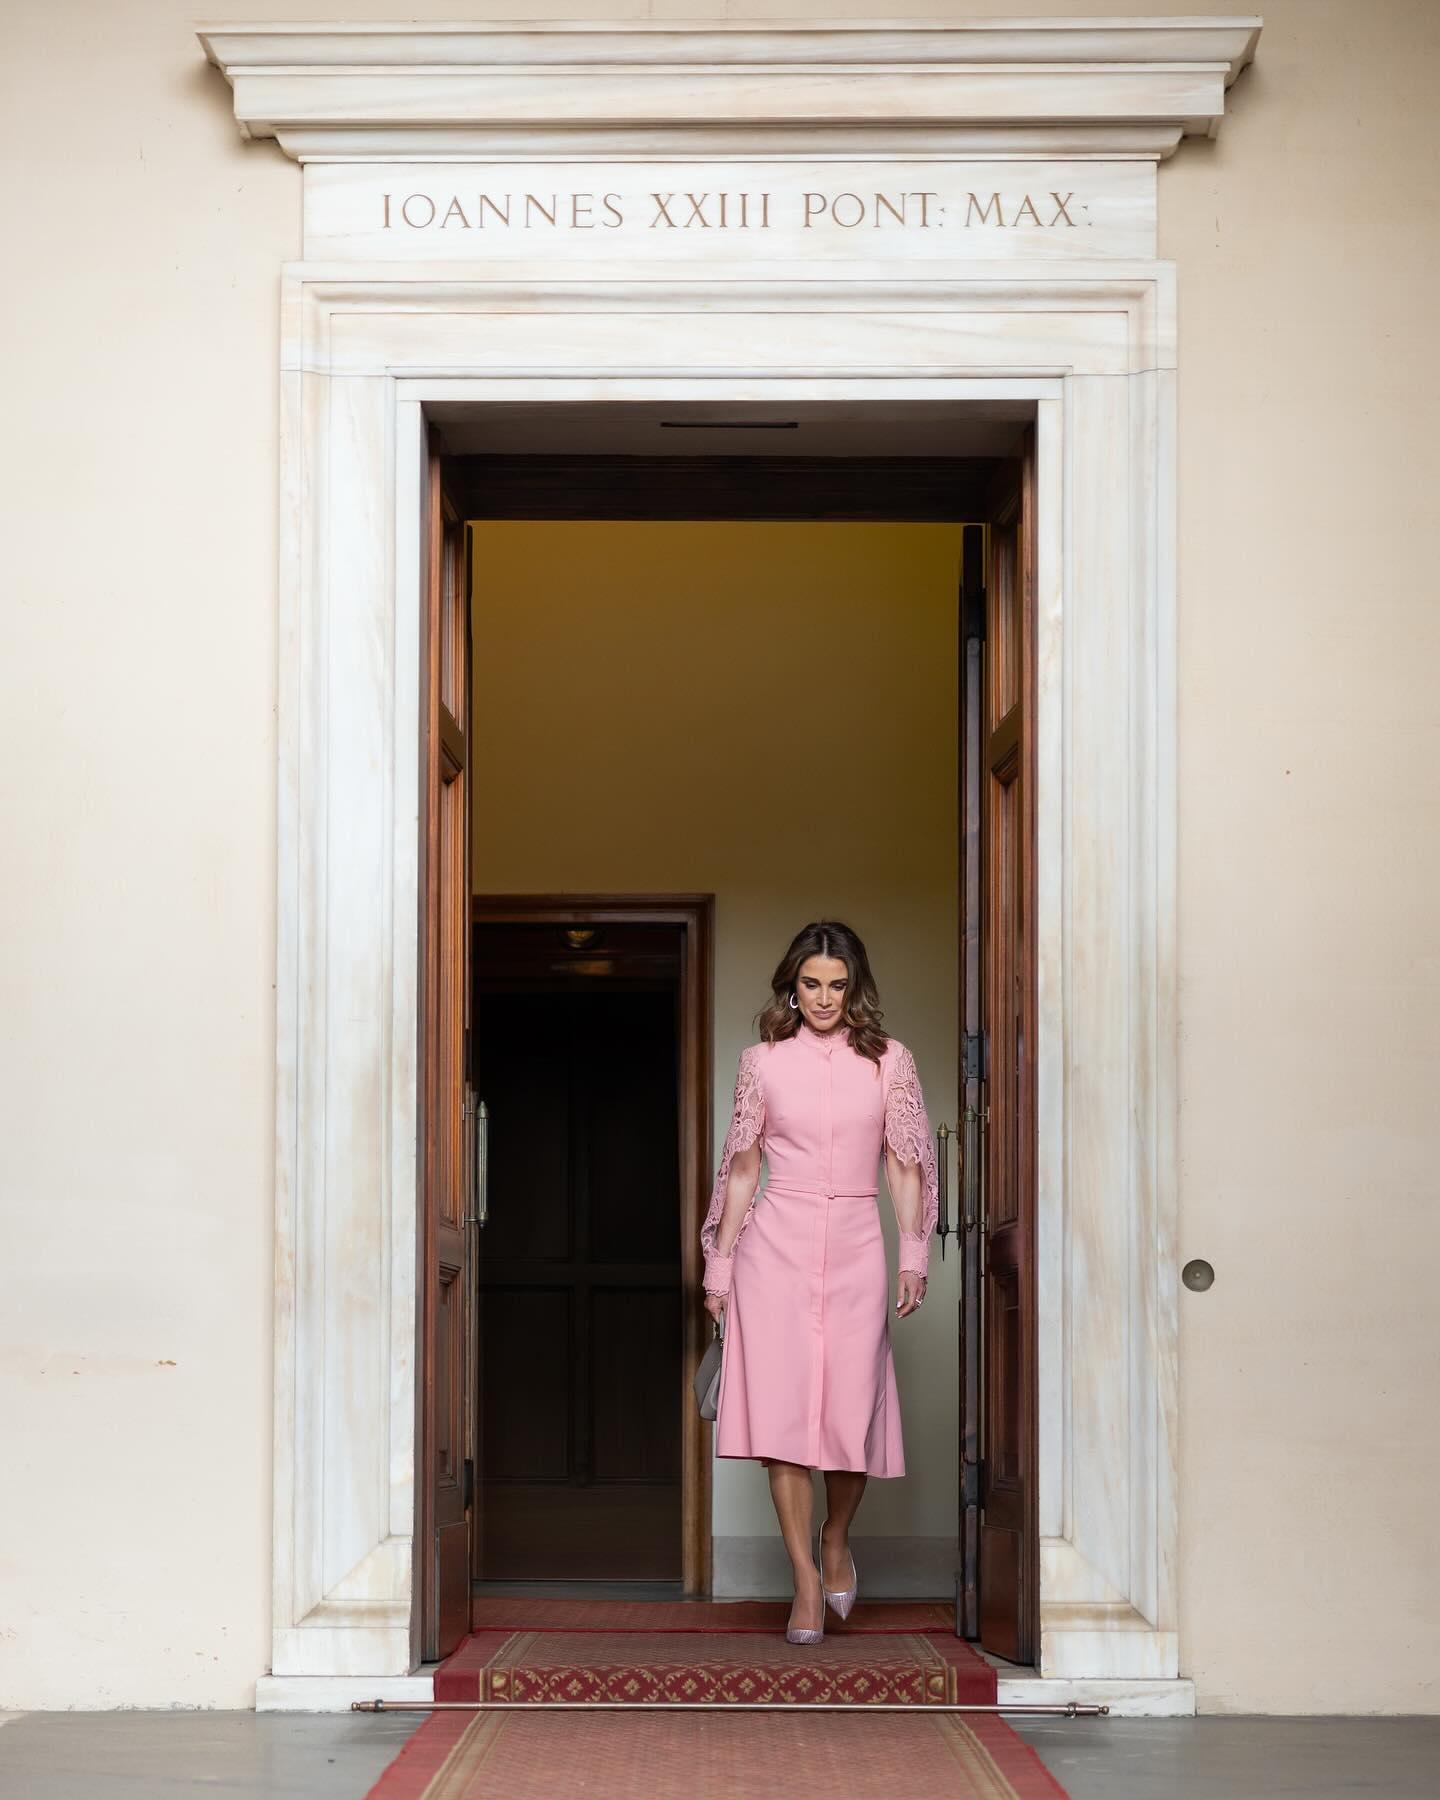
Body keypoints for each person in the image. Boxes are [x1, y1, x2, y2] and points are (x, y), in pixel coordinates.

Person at [701, 919, 938, 1643]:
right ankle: (804, 1578)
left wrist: (913, 1253)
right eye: (811, 984)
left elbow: (904, 1164)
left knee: (848, 1411)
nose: (825, 998)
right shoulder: (761, 1063)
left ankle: (835, 1537)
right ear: (792, 986)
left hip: (858, 1239)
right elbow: (742, 1168)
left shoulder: (891, 1062)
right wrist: (719, 1264)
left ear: (855, 987)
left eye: (838, 985)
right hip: (774, 1245)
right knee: (782, 1417)